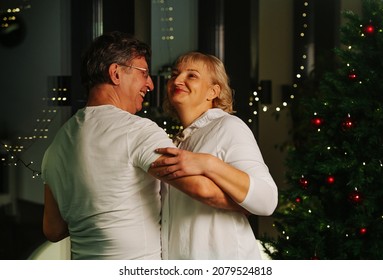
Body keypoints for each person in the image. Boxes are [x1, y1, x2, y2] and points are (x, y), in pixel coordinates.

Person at [41, 32, 241, 260]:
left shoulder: (55, 147)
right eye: (144, 73)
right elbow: (204, 191)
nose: (150, 84)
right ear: (116, 73)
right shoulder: (137, 131)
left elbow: (53, 230)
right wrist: (252, 203)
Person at [151, 51, 278, 259]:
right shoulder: (176, 141)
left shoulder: (228, 126)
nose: (178, 80)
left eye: (191, 75)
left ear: (213, 91)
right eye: (174, 74)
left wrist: (208, 164)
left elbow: (267, 200)